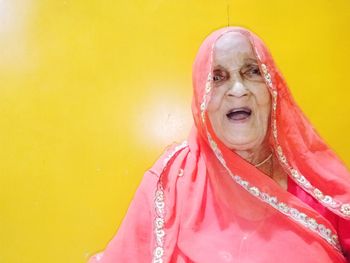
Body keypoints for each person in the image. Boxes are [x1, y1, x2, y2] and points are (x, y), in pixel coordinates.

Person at [88, 26, 350, 262]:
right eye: (217, 77)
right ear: (201, 98)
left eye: (252, 71)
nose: (238, 89)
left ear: (273, 89)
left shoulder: (316, 180)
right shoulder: (171, 181)